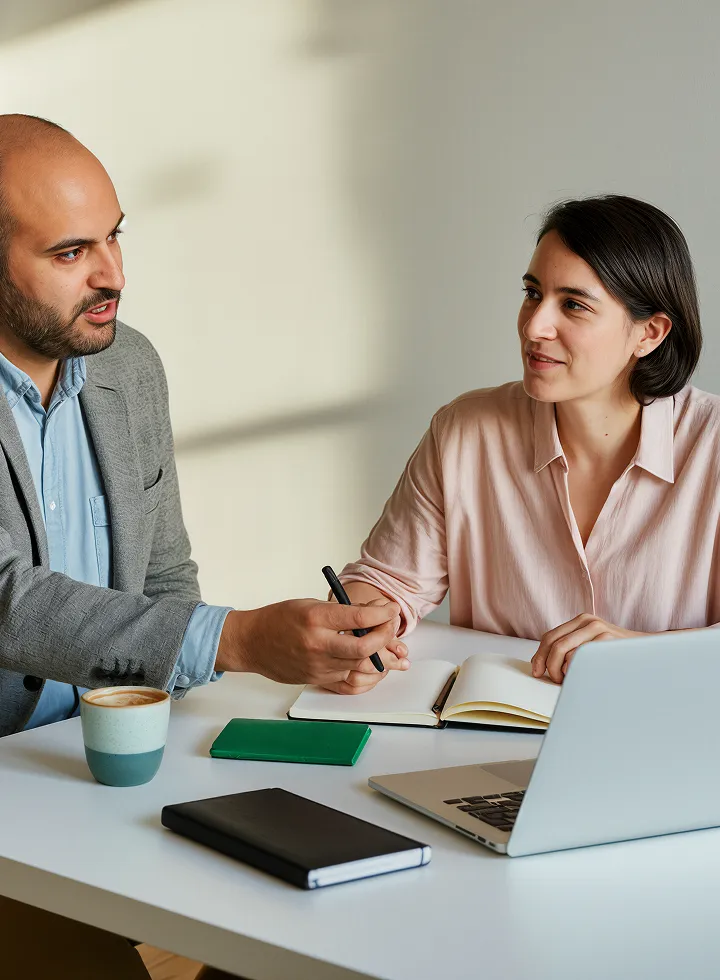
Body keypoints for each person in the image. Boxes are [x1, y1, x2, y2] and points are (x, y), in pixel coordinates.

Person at [0, 113, 407, 979]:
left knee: (303, 933)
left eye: (115, 237)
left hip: (103, 769)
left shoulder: (126, 366)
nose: (112, 274)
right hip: (14, 794)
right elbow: (10, 600)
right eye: (71, 253)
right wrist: (242, 640)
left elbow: (163, 577)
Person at [334, 194, 716, 690]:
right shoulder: (464, 430)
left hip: (669, 736)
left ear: (649, 333)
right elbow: (389, 581)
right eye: (533, 293)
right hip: (487, 739)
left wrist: (636, 655)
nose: (534, 326)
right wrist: (359, 631)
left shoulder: (712, 446)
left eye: (574, 305)